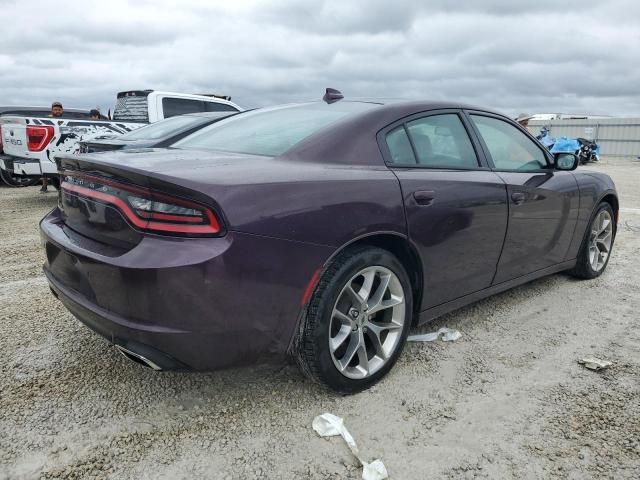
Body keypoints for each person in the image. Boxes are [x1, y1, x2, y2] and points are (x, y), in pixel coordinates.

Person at [40, 101, 64, 193]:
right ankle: (44, 186)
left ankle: (62, 186)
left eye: (59, 109)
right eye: (55, 109)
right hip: (49, 144)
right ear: (52, 110)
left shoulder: (65, 119)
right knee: (46, 165)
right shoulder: (47, 120)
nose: (57, 111)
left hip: (61, 145)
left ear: (62, 110)